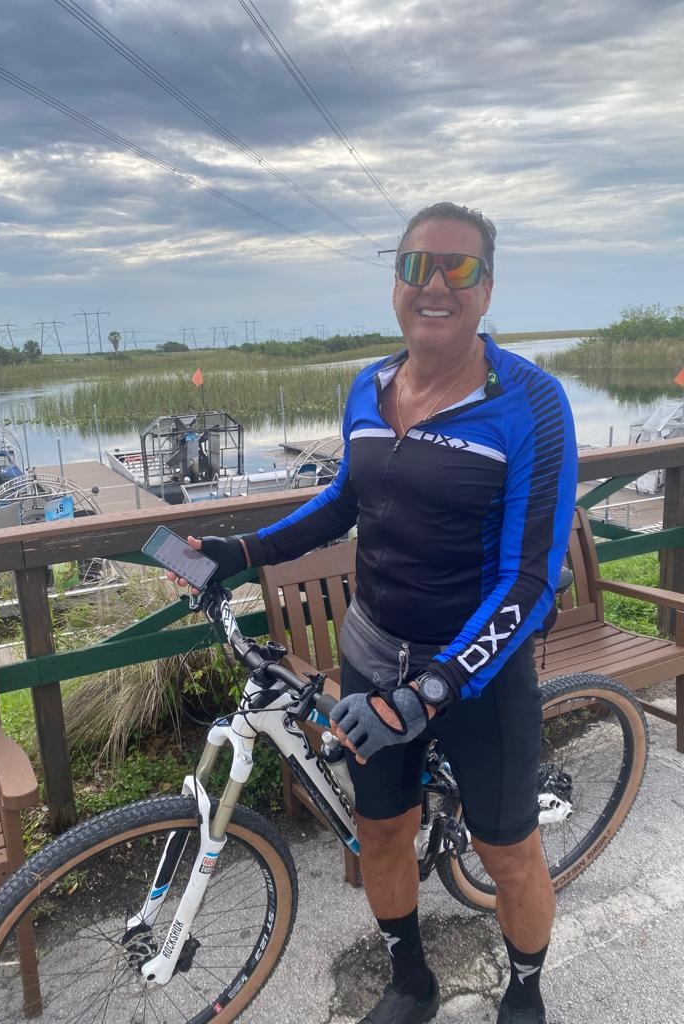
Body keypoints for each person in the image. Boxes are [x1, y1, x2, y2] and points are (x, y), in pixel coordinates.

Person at [177, 202, 577, 1024]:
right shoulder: (370, 384)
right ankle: (410, 982)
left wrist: (430, 691)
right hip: (371, 651)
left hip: (476, 673)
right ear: (395, 281)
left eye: (459, 268)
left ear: (487, 288)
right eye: (416, 265)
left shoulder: (531, 401)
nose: (436, 284)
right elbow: (342, 501)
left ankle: (526, 988)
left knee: (508, 851)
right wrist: (240, 551)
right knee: (382, 833)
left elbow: (529, 579)